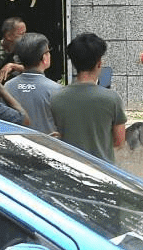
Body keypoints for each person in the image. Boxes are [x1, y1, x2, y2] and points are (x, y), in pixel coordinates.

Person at [50, 32, 127, 164]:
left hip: (70, 170)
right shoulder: (112, 98)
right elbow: (119, 142)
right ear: (99, 63)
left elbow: (58, 135)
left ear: (74, 64)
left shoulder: (56, 98)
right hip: (103, 173)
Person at [4, 33, 61, 135]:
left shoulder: (7, 87)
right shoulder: (56, 89)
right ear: (44, 58)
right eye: (48, 52)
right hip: (47, 148)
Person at [0, 16, 27, 81]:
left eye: (25, 33)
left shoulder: (27, 47)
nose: (25, 37)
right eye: (21, 34)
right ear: (8, 36)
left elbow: (34, 69)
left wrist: (13, 66)